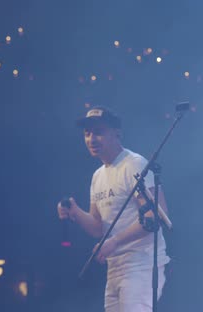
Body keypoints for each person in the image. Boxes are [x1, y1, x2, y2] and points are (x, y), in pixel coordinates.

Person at [56, 106, 170, 312]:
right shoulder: (98, 176)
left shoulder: (133, 164)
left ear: (117, 134)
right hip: (115, 268)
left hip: (140, 265)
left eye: (98, 132)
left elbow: (156, 216)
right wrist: (75, 212)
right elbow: (99, 228)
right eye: (87, 134)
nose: (91, 139)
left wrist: (114, 242)